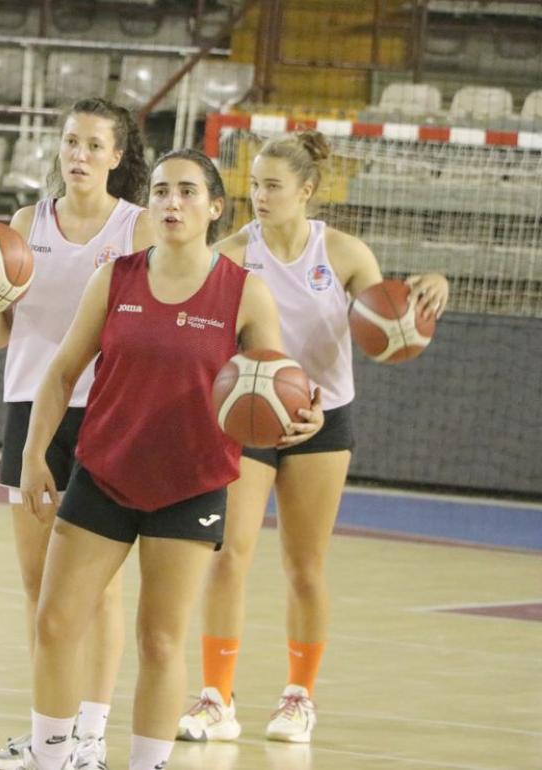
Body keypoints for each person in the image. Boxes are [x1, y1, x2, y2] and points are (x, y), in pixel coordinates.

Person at [17, 149, 322, 770]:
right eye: (159, 191)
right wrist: (32, 455)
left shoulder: (245, 294)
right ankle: (52, 759)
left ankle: (147, 763)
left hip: (191, 483)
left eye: (186, 192)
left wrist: (303, 414)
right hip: (103, 470)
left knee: (159, 640)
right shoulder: (116, 277)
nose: (171, 203)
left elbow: (279, 384)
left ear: (214, 208)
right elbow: (61, 373)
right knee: (54, 622)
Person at [176, 130, 449, 744]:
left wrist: (428, 292)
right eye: (254, 185)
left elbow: (386, 322)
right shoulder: (229, 253)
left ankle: (299, 698)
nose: (261, 196)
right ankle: (217, 696)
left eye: (274, 186)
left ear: (306, 191)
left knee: (305, 566)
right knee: (228, 555)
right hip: (249, 415)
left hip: (323, 419)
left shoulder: (346, 254)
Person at [0, 97, 155, 770]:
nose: (78, 154)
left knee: (97, 585)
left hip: (107, 410)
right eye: (70, 141)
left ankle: (92, 734)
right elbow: (3, 335)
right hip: (31, 408)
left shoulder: (139, 229)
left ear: (116, 155)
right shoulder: (26, 224)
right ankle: (49, 729)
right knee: (37, 582)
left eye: (92, 144)